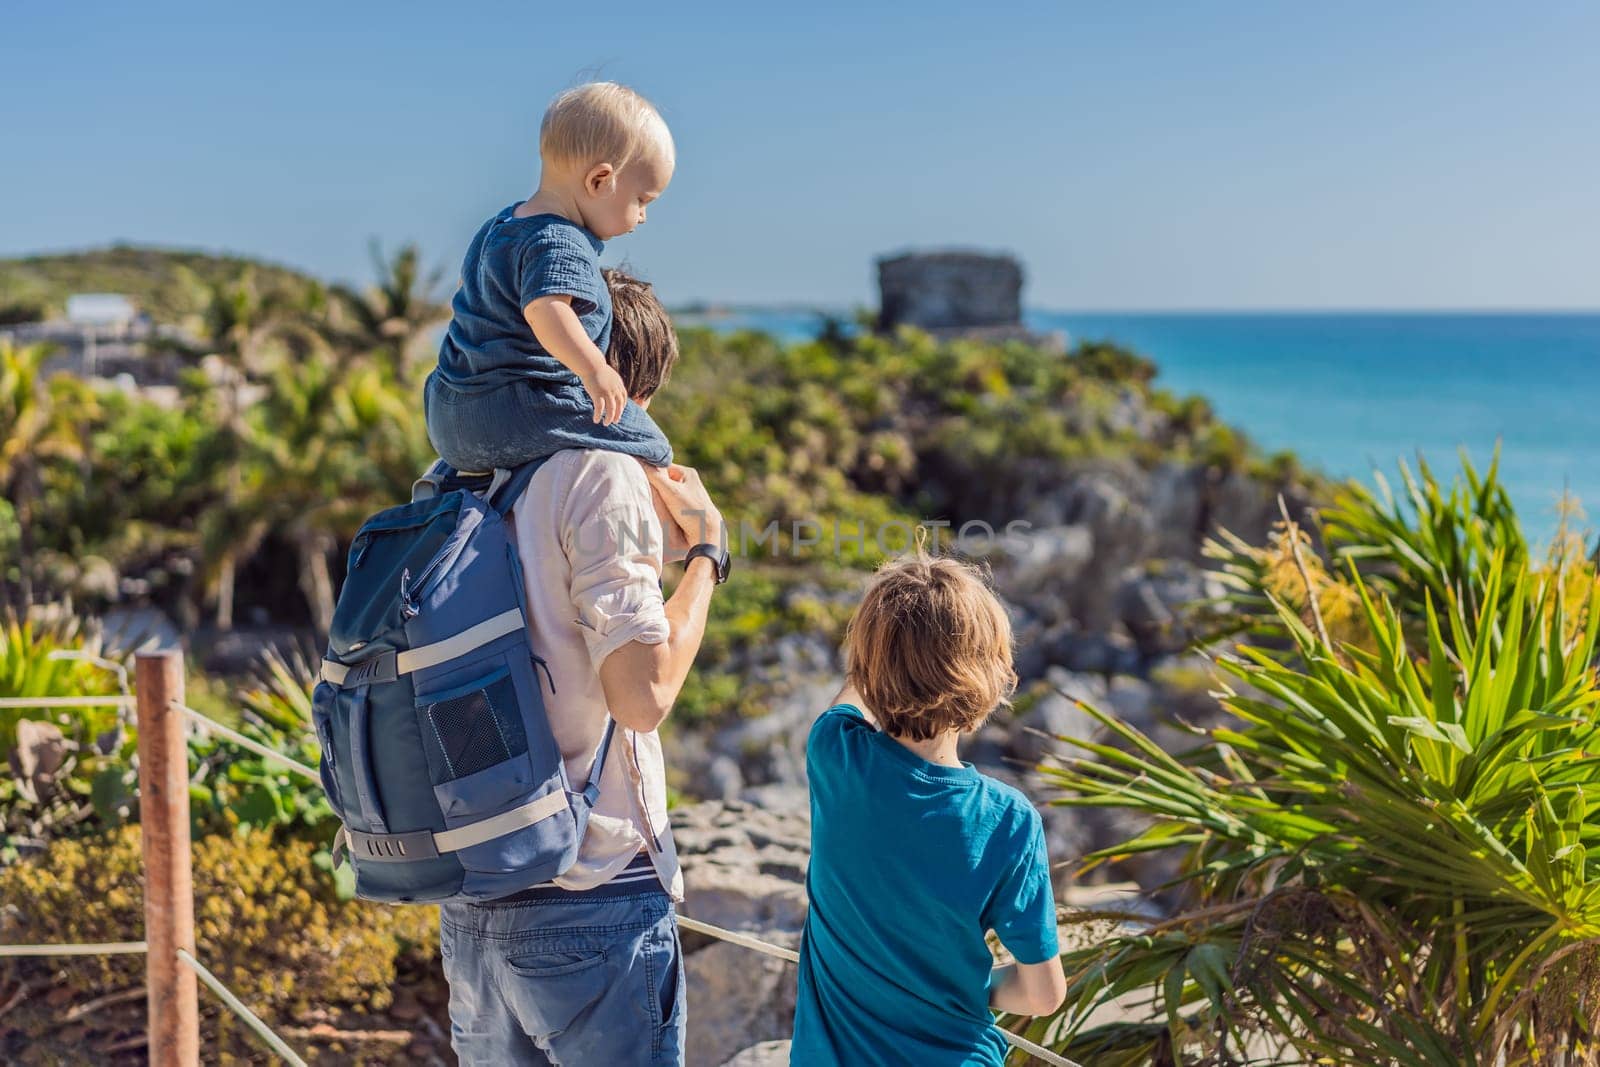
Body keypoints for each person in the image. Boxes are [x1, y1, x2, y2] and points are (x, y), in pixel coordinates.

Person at [437, 269, 728, 1066]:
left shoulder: (471, 476)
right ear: (629, 392)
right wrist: (708, 553)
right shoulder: (599, 472)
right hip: (588, 894)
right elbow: (643, 695)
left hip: (475, 894)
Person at [793, 553, 1068, 1066]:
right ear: (995, 674)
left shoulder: (836, 755)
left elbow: (855, 689)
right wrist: (959, 984)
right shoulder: (1009, 821)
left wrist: (886, 636)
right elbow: (1044, 995)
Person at [424, 81, 676, 473]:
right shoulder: (560, 240)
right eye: (642, 200)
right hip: (511, 409)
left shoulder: (500, 225)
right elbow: (545, 310)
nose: (643, 216)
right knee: (651, 442)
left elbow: (471, 296)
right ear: (600, 181)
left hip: (445, 410)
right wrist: (595, 369)